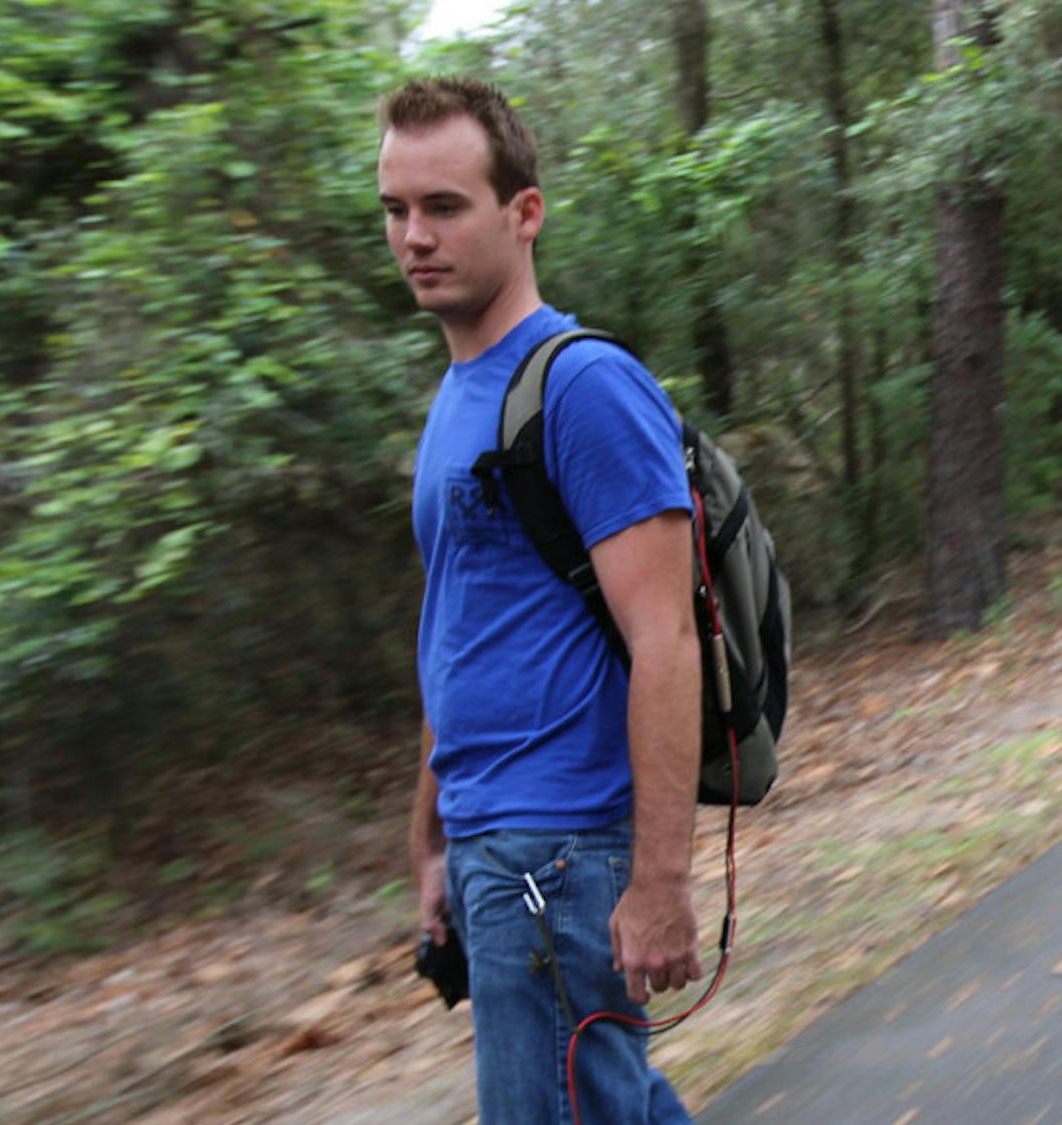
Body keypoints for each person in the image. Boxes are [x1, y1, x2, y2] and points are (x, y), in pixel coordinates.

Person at [379, 76, 703, 1123]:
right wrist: (432, 836)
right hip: (496, 846)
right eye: (396, 210)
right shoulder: (457, 396)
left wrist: (659, 883)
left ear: (525, 212)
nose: (414, 237)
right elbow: (462, 631)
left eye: (444, 206)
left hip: (560, 853)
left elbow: (667, 639)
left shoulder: (581, 387)